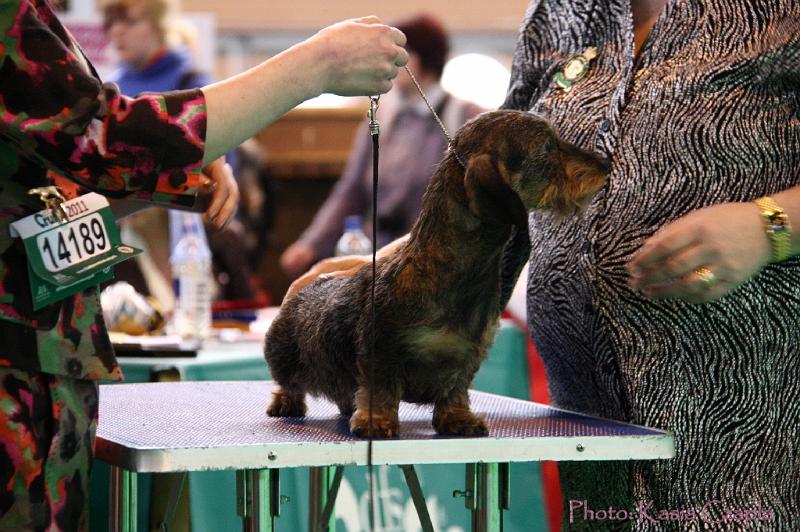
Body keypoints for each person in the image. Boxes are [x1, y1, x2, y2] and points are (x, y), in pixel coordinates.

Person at [288, 1, 800, 530]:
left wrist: (771, 225)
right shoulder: (559, 12)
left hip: (749, 413)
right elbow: (492, 180)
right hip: (587, 417)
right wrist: (403, 266)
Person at [0, 1, 407, 529]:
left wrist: (173, 183)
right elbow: (102, 144)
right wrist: (317, 64)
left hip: (45, 367)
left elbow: (57, 189)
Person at [280, 13, 484, 279]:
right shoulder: (381, 117)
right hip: (376, 258)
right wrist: (310, 244)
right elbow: (351, 192)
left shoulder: (464, 118)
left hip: (436, 266)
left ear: (417, 61)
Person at [101, 0, 255, 306]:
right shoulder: (111, 88)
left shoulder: (194, 84)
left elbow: (221, 172)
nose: (117, 32)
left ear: (159, 25)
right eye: (110, 23)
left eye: (128, 22)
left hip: (184, 231)